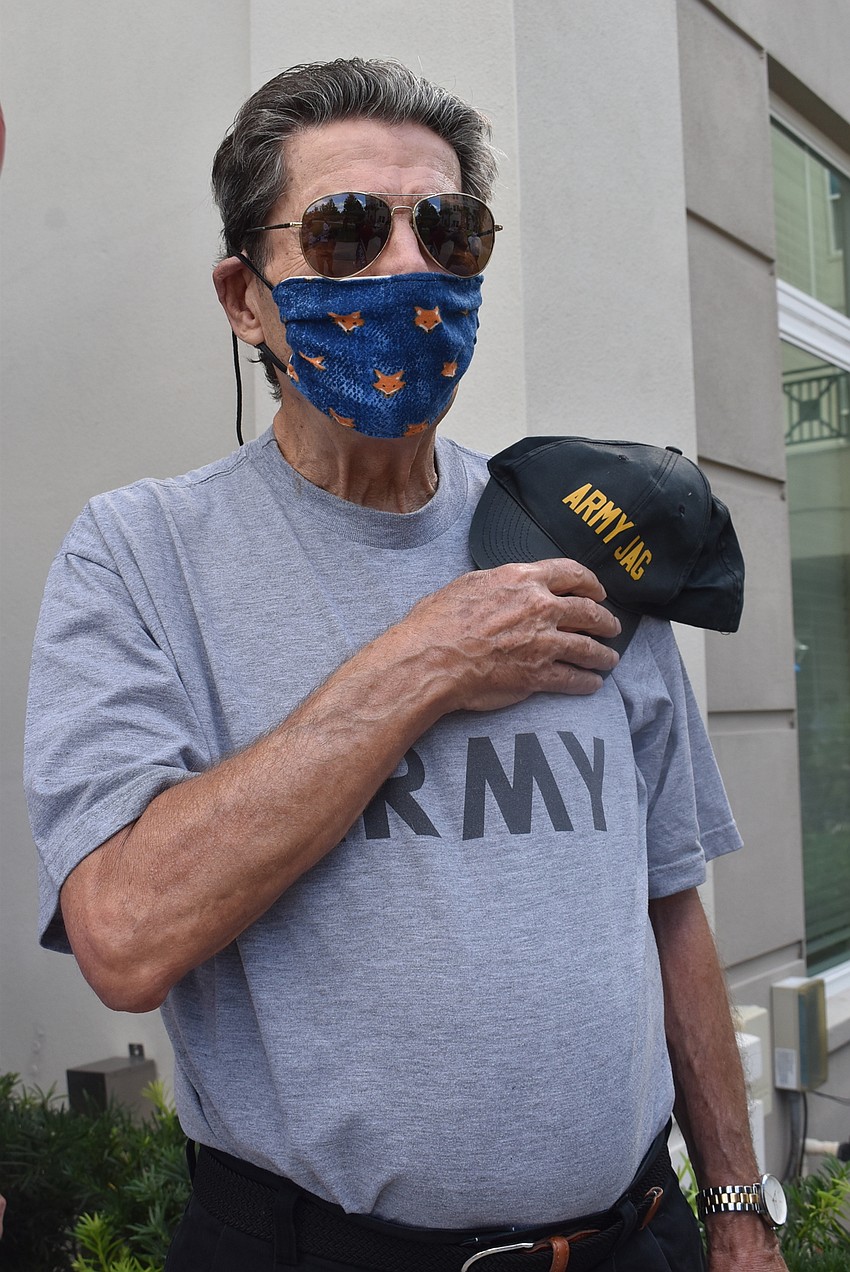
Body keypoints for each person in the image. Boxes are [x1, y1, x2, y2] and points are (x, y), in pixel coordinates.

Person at [25, 58, 788, 1272]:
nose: (407, 268)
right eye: (342, 232)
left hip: (635, 1241)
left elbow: (666, 901)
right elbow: (122, 934)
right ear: (244, 294)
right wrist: (420, 658)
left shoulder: (577, 525)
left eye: (450, 229)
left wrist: (740, 1215)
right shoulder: (142, 554)